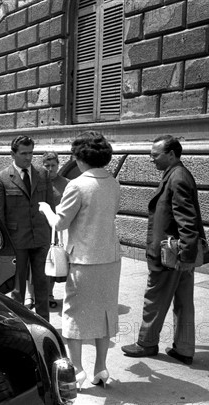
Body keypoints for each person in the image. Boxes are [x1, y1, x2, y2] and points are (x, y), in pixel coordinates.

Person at [39, 131, 122, 390]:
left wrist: (46, 209)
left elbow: (60, 222)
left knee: (74, 314)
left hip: (84, 259)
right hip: (110, 257)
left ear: (79, 158)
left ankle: (77, 368)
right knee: (105, 312)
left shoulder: (77, 185)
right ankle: (101, 368)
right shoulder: (113, 183)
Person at [121, 135, 209, 366]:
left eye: (155, 155)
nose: (152, 159)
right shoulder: (177, 174)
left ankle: (146, 343)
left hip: (171, 255)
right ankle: (184, 349)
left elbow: (187, 220)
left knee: (155, 298)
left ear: (171, 154)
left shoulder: (177, 177)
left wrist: (185, 257)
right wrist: (187, 256)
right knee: (183, 302)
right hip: (180, 254)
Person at [0, 135, 54, 321]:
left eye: (31, 153)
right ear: (13, 154)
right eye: (24, 153)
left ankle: (43, 323)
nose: (28, 157)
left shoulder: (43, 174)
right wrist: (2, 246)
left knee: (43, 283)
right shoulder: (1, 179)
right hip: (16, 242)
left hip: (41, 238)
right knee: (18, 288)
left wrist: (52, 235)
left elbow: (50, 207)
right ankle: (20, 324)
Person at [25, 152, 69, 309]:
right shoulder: (35, 181)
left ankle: (49, 293)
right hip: (36, 228)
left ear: (58, 165)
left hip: (56, 229)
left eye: (53, 165)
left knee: (52, 260)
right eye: (47, 165)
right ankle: (30, 295)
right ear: (42, 166)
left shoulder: (66, 183)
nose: (50, 169)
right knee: (34, 263)